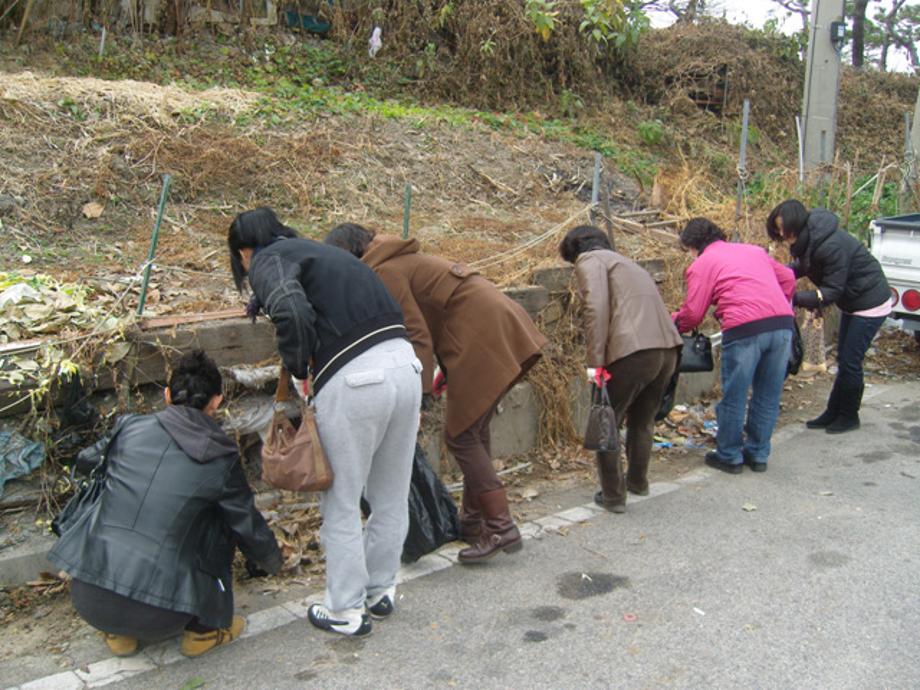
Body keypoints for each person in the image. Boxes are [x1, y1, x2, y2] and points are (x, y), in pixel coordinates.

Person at [228, 208, 421, 637]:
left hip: (356, 379)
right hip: (406, 367)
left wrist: (298, 370)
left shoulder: (264, 260)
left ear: (243, 250)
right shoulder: (319, 252)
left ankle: (345, 609)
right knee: (390, 492)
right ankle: (381, 589)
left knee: (341, 500)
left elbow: (292, 310)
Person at [324, 223, 546, 562]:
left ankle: (501, 527)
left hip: (481, 334)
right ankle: (473, 524)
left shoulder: (384, 271)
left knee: (460, 437)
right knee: (472, 430)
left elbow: (416, 333)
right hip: (494, 323)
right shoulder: (396, 259)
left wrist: (420, 392)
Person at [48, 351, 282, 659]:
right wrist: (273, 562)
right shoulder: (220, 456)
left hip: (89, 600)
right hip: (165, 614)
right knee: (219, 519)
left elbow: (86, 461)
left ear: (167, 394)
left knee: (117, 491)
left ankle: (117, 632)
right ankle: (204, 631)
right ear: (216, 401)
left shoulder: (128, 427)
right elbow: (246, 524)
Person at [558, 225, 682, 511]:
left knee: (606, 421)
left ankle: (613, 495)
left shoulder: (590, 261)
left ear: (576, 249)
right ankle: (638, 481)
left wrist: (595, 364)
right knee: (643, 420)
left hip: (632, 352)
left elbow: (595, 309)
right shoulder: (628, 263)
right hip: (667, 350)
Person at [673, 218, 795, 474]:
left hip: (745, 329)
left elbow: (693, 314)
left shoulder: (703, 263)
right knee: (767, 394)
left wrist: (672, 325)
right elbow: (788, 278)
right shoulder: (753, 250)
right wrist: (775, 302)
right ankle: (758, 454)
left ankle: (729, 455)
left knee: (735, 394)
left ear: (693, 247)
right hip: (783, 325)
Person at [766, 200, 892, 433]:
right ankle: (833, 411)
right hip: (854, 301)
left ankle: (849, 415)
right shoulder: (809, 240)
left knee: (850, 361)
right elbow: (801, 266)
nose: (782, 234)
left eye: (784, 228)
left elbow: (833, 291)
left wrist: (794, 298)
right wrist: (775, 274)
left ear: (797, 223)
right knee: (844, 359)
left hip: (870, 302)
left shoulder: (829, 245)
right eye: (778, 229)